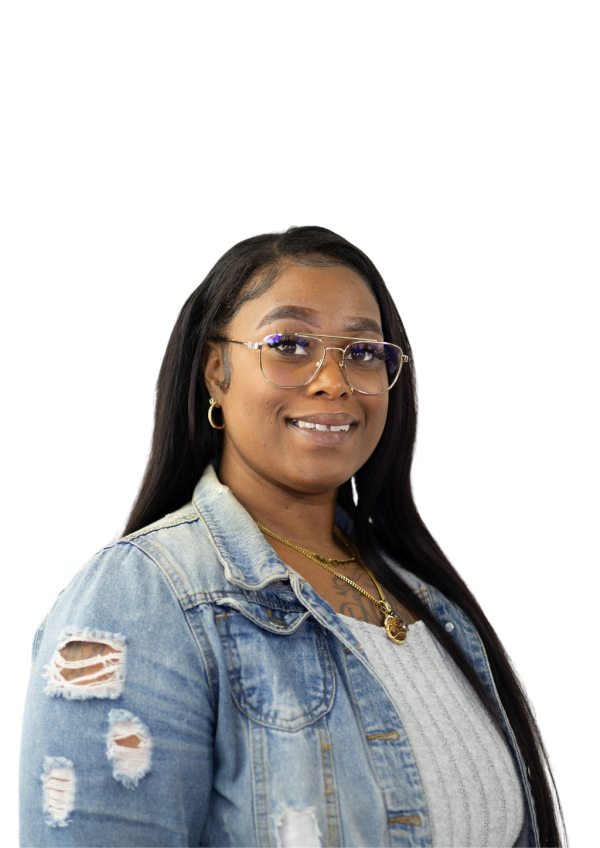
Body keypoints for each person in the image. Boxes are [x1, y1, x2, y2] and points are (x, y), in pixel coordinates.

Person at [18, 225, 567, 847]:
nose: (335, 380)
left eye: (363, 352)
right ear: (217, 371)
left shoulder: (424, 593)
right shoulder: (141, 596)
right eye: (289, 344)